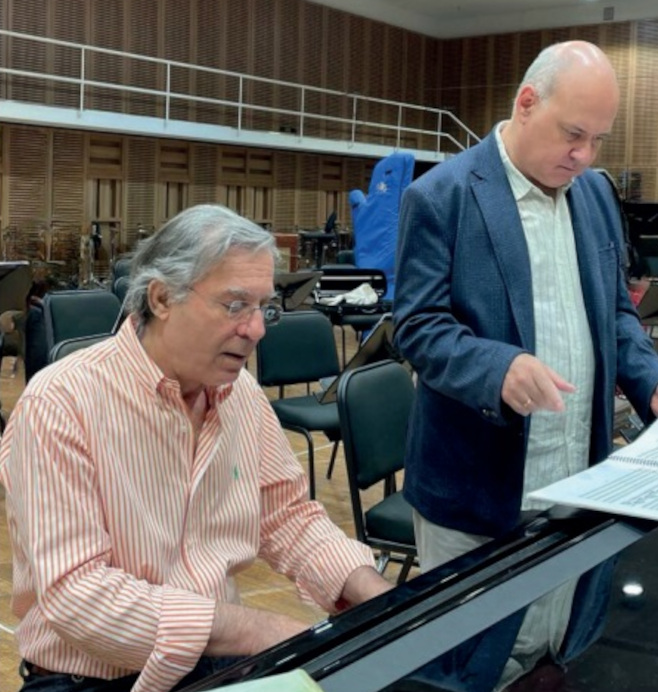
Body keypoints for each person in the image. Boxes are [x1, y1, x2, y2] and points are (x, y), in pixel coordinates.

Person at [393, 41, 658, 688]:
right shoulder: (443, 195)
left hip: (575, 479)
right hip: (475, 498)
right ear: (526, 102)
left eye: (599, 140)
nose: (586, 156)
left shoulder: (594, 196)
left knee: (551, 656)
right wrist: (496, 368)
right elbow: (418, 329)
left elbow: (616, 318)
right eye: (575, 134)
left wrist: (653, 384)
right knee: (467, 670)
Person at [0, 204, 392, 692]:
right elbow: (80, 599)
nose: (257, 330)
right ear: (162, 298)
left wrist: (375, 595)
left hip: (213, 658)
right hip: (86, 678)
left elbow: (286, 516)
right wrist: (259, 630)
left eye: (263, 307)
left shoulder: (240, 396)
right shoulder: (61, 403)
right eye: (234, 306)